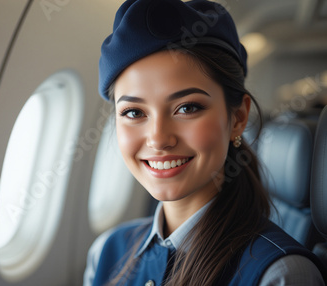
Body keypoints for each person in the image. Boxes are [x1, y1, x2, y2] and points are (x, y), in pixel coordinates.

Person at [84, 0, 327, 285]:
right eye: (134, 112)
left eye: (187, 108)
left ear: (237, 117)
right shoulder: (106, 252)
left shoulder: (279, 274)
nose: (159, 139)